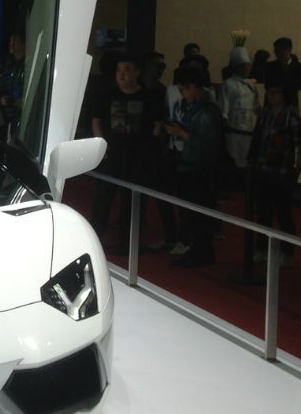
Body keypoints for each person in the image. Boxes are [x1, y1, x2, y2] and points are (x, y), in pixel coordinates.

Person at [90, 54, 163, 251]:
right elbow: (96, 121)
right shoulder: (108, 94)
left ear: (137, 73)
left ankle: (129, 240)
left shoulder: (148, 96)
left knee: (133, 198)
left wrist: (150, 147)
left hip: (138, 154)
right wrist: (102, 145)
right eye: (119, 70)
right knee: (104, 195)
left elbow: (157, 123)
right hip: (112, 152)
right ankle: (94, 236)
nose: (122, 75)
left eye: (127, 70)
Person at [164, 65, 222, 267]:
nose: (182, 94)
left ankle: (200, 252)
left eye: (183, 89)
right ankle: (199, 250)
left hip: (197, 168)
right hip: (194, 166)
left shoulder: (205, 112)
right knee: (194, 213)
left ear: (193, 87)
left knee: (196, 213)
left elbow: (205, 143)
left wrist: (181, 133)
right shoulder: (201, 108)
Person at [248, 81, 301, 266]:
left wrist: (295, 173)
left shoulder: (292, 119)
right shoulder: (265, 115)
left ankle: (286, 252)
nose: (272, 95)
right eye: (270, 91)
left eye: (277, 92)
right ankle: (261, 248)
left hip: (281, 173)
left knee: (283, 214)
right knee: (263, 212)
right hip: (262, 170)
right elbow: (257, 141)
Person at [220, 45, 260, 171]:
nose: (247, 68)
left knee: (247, 160)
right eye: (244, 65)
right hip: (234, 130)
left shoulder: (251, 86)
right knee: (235, 160)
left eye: (248, 65)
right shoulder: (228, 84)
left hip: (249, 129)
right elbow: (224, 108)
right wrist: (226, 125)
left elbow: (256, 106)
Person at [0, 28, 26, 141]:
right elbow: (2, 86)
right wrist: (2, 98)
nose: (11, 44)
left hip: (23, 116)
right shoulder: (9, 64)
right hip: (9, 116)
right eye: (10, 41)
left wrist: (20, 102)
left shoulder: (27, 65)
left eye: (14, 41)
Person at [265, 37, 301, 111]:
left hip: (291, 103)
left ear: (288, 50)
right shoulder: (270, 66)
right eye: (275, 50)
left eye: (279, 50)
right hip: (273, 103)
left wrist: (281, 86)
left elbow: (300, 85)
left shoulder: (298, 67)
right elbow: (268, 84)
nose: (276, 53)